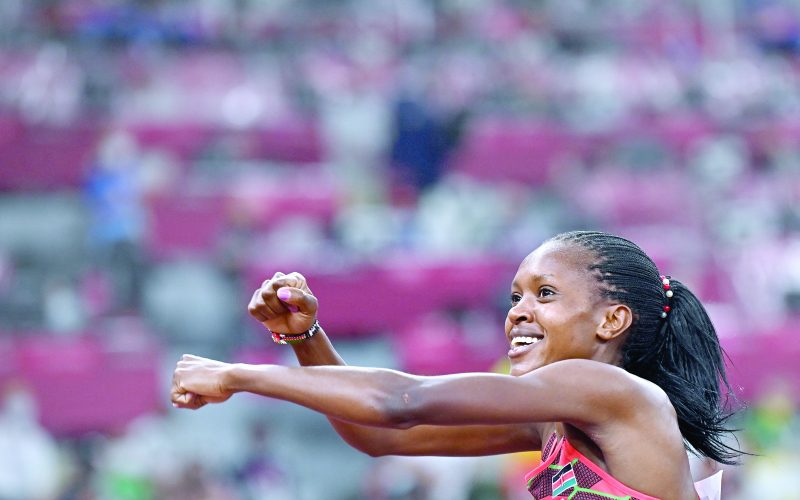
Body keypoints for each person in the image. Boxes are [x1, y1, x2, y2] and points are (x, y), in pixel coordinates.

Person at [171, 231, 739, 499]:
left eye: (544, 294)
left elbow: (403, 402)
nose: (518, 312)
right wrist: (306, 338)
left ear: (611, 322)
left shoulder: (609, 389)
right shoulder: (557, 419)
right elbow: (378, 436)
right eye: (515, 295)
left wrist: (238, 374)